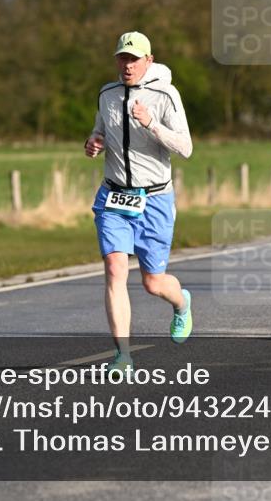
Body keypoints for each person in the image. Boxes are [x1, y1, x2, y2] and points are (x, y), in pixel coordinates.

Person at [85, 31, 193, 376]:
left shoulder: (166, 94)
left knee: (152, 282)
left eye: (134, 59)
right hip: (114, 196)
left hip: (155, 199)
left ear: (149, 60)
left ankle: (181, 303)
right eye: (122, 58)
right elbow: (101, 129)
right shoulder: (107, 93)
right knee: (116, 269)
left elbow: (186, 147)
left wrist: (152, 125)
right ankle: (123, 355)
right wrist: (94, 141)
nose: (127, 65)